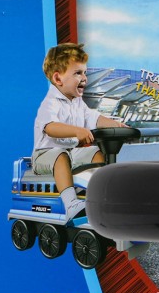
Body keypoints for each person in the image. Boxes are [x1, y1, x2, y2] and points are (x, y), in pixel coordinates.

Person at [33, 44, 125, 220]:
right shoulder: (51, 102)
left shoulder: (77, 102)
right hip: (45, 155)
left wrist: (117, 125)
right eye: (78, 73)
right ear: (58, 78)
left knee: (97, 152)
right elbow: (50, 127)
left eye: (85, 72)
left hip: (71, 152)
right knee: (60, 156)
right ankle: (71, 205)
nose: (84, 78)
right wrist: (77, 131)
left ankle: (100, 195)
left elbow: (95, 118)